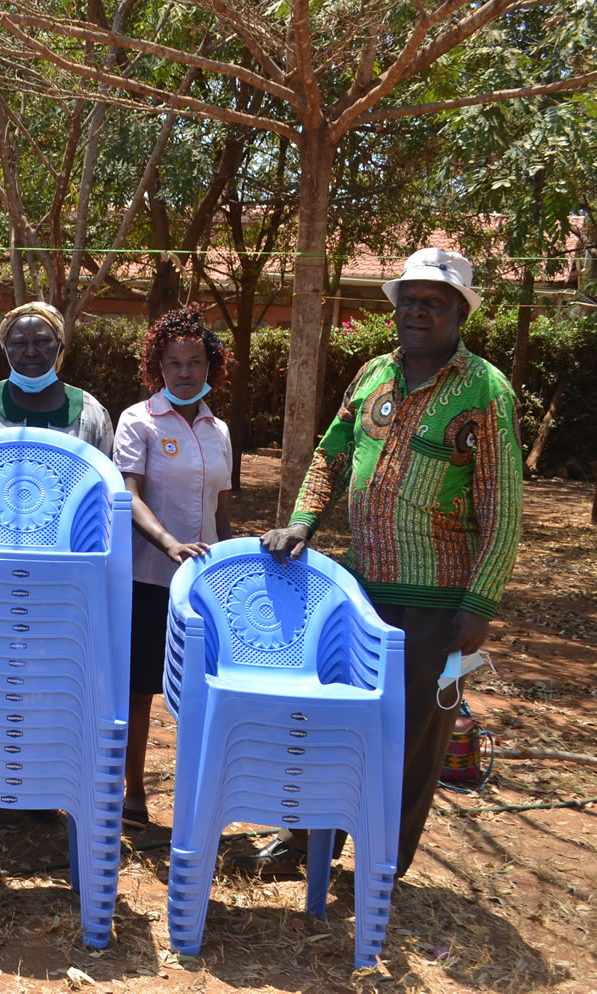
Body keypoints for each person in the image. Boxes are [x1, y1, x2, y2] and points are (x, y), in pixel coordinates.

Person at [246, 247, 522, 878]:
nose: (418, 310)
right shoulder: (373, 374)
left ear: (460, 313)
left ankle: (380, 864)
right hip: (361, 591)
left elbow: (503, 506)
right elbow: (331, 453)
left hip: (440, 605)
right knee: (335, 721)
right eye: (410, 299)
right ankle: (307, 843)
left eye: (435, 301)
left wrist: (478, 605)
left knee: (414, 738)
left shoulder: (484, 390)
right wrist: (304, 518)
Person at [112, 305, 233, 829]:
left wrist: (227, 565)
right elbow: (128, 495)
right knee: (140, 689)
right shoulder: (137, 420)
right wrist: (168, 544)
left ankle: (200, 799)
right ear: (157, 366)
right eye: (174, 362)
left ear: (211, 366)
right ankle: (133, 793)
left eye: (195, 361)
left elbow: (221, 510)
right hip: (149, 577)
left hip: (203, 584)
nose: (185, 372)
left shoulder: (219, 430)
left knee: (202, 690)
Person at [0, 301, 113, 456]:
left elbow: (111, 483)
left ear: (60, 347)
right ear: (5, 350)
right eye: (19, 343)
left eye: (42, 341)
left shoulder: (91, 412)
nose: (30, 352)